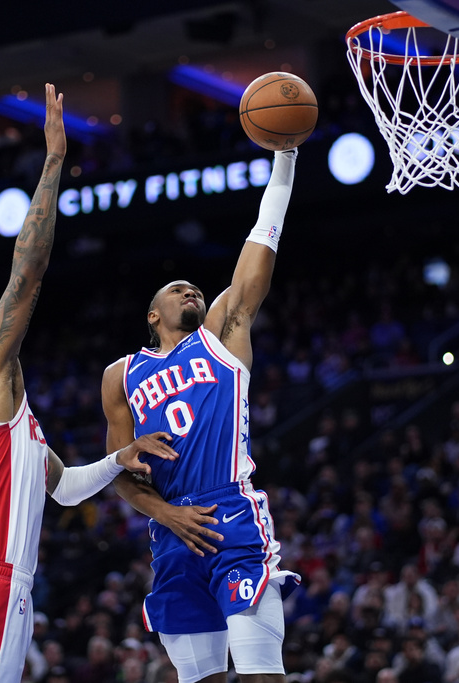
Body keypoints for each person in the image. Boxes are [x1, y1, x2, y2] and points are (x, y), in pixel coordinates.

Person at [0, 84, 183, 683]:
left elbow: (63, 489)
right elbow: (27, 273)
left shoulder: (7, 422)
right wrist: (54, 161)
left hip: (3, 588)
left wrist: (121, 456)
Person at [101, 147, 302, 683]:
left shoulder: (221, 336)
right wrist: (163, 514)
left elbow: (261, 239)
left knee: (261, 674)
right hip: (170, 531)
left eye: (194, 287)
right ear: (152, 314)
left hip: (229, 513)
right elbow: (117, 471)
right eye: (175, 288)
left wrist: (285, 160)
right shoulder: (120, 375)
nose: (189, 289)